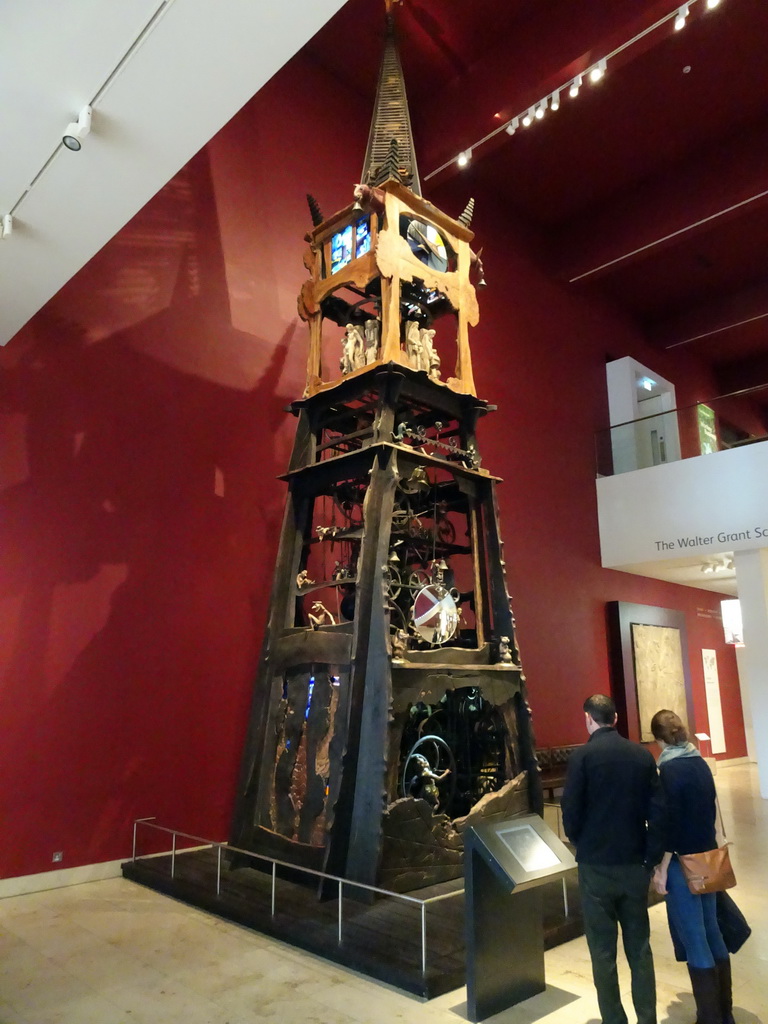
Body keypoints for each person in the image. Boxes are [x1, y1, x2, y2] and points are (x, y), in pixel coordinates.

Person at [561, 694, 663, 1024]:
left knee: (602, 953)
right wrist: (651, 856)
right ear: (616, 718)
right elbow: (658, 811)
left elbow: (571, 809)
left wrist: (581, 842)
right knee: (640, 949)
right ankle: (647, 1018)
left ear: (589, 719)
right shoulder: (641, 755)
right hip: (634, 862)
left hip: (595, 866)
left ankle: (614, 1020)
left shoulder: (582, 757)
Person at [650, 710, 733, 1024]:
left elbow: (670, 828)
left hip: (682, 863)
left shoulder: (667, 771)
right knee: (712, 931)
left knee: (695, 936)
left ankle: (709, 1018)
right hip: (708, 857)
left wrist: (661, 869)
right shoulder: (699, 763)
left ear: (658, 740)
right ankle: (724, 1014)